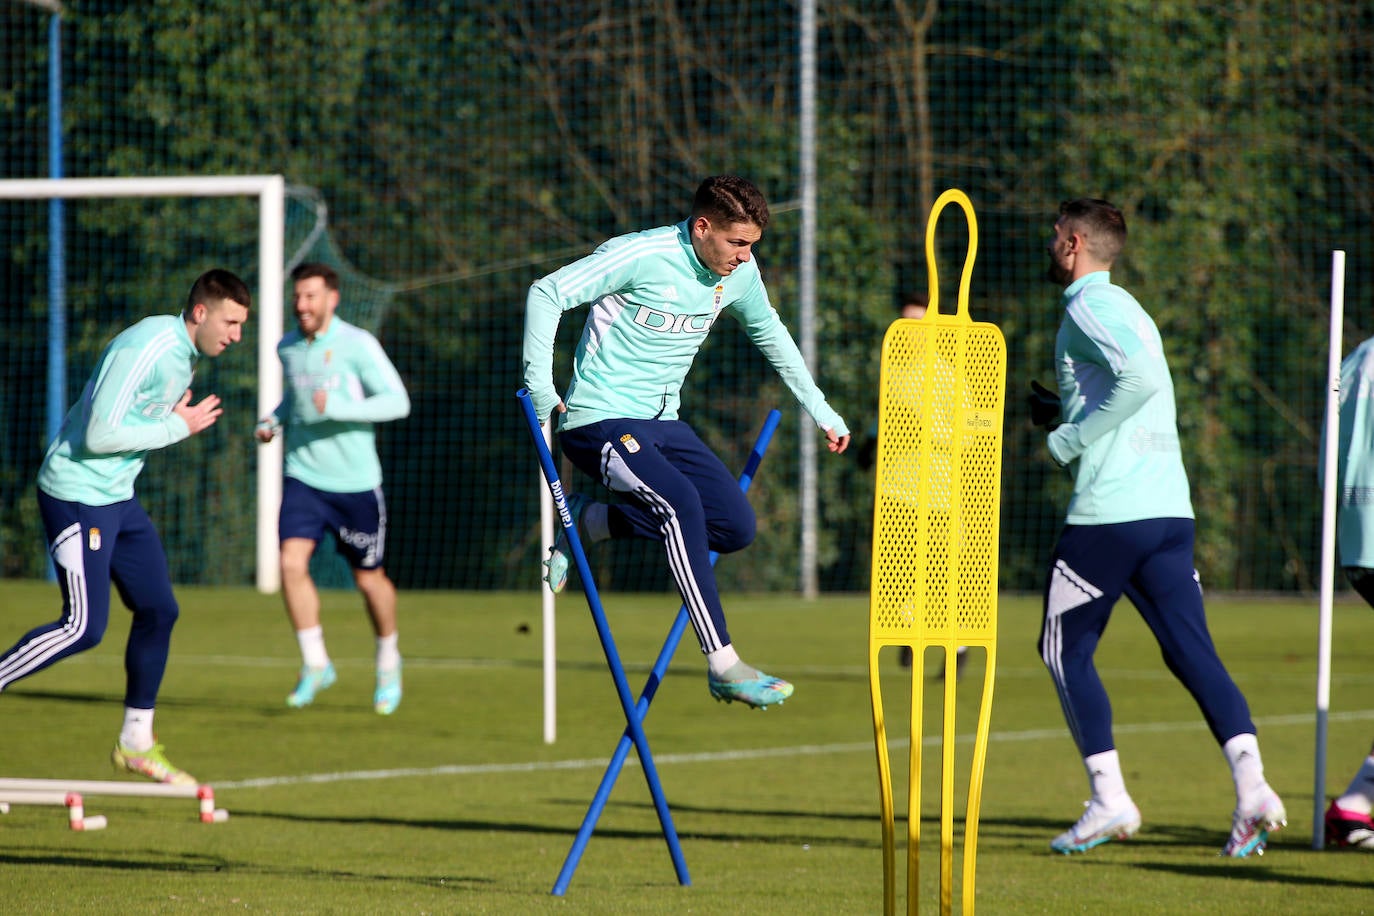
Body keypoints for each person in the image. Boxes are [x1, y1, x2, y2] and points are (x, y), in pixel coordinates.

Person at [522, 174, 850, 709]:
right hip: (596, 422)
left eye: (752, 246)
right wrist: (541, 386)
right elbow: (547, 291)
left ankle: (590, 522)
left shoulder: (739, 277)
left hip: (664, 424)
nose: (745, 257)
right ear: (702, 227)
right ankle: (723, 663)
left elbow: (769, 331)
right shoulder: (641, 254)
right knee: (680, 506)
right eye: (737, 243)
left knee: (734, 527)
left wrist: (819, 407)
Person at [1030, 198, 1285, 857]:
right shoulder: (1130, 307)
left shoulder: (1086, 305)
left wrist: (1070, 439)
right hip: (1169, 510)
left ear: (1075, 243)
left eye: (1057, 234)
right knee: (1190, 650)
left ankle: (1109, 799)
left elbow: (1141, 381)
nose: (1050, 242)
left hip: (1112, 513)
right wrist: (1061, 409)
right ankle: (1255, 789)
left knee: (1063, 649)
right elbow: (1136, 384)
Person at [0, 269, 252, 784]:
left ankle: (136, 741)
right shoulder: (150, 346)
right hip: (76, 496)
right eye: (230, 322)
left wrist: (167, 417)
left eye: (242, 325)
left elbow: (137, 419)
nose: (236, 335)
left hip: (117, 500)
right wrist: (173, 426)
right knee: (82, 628)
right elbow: (97, 434)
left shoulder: (186, 358)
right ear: (200, 312)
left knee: (159, 609)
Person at [255, 263, 411, 715]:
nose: (302, 305)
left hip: (355, 485)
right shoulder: (287, 347)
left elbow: (397, 402)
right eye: (298, 296)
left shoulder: (357, 344)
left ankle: (387, 662)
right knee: (290, 563)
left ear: (332, 298)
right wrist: (273, 421)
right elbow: (296, 402)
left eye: (311, 296)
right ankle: (316, 663)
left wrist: (339, 406)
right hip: (303, 477)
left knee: (369, 581)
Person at [1318, 333, 1374, 849]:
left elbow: (1326, 461)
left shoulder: (1356, 358)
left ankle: (1357, 804)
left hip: (1358, 538)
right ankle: (1355, 804)